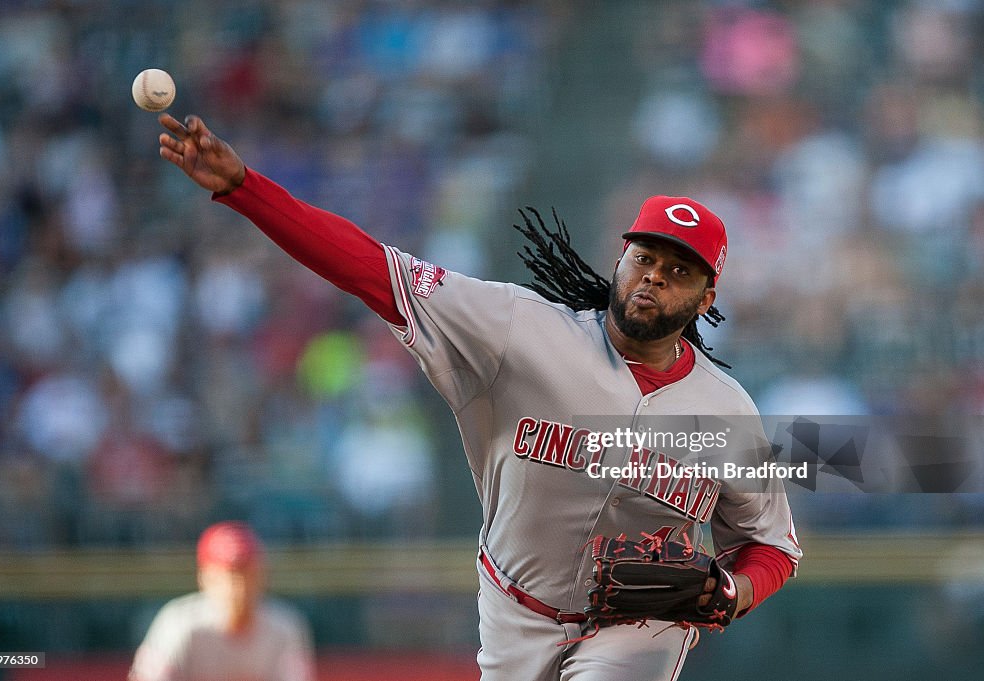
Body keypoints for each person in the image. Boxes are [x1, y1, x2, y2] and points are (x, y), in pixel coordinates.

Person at [154, 113, 802, 681]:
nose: (655, 276)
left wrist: (734, 590)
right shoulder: (518, 327)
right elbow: (371, 269)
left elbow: (773, 543)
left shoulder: (725, 411)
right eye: (645, 258)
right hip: (514, 605)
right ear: (621, 257)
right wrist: (245, 190)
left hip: (641, 623)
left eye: (679, 270)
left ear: (706, 299)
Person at [128, 521, 317, 681]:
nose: (240, 586)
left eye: (247, 573)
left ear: (263, 575)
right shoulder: (178, 624)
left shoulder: (285, 625)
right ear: (205, 578)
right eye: (229, 575)